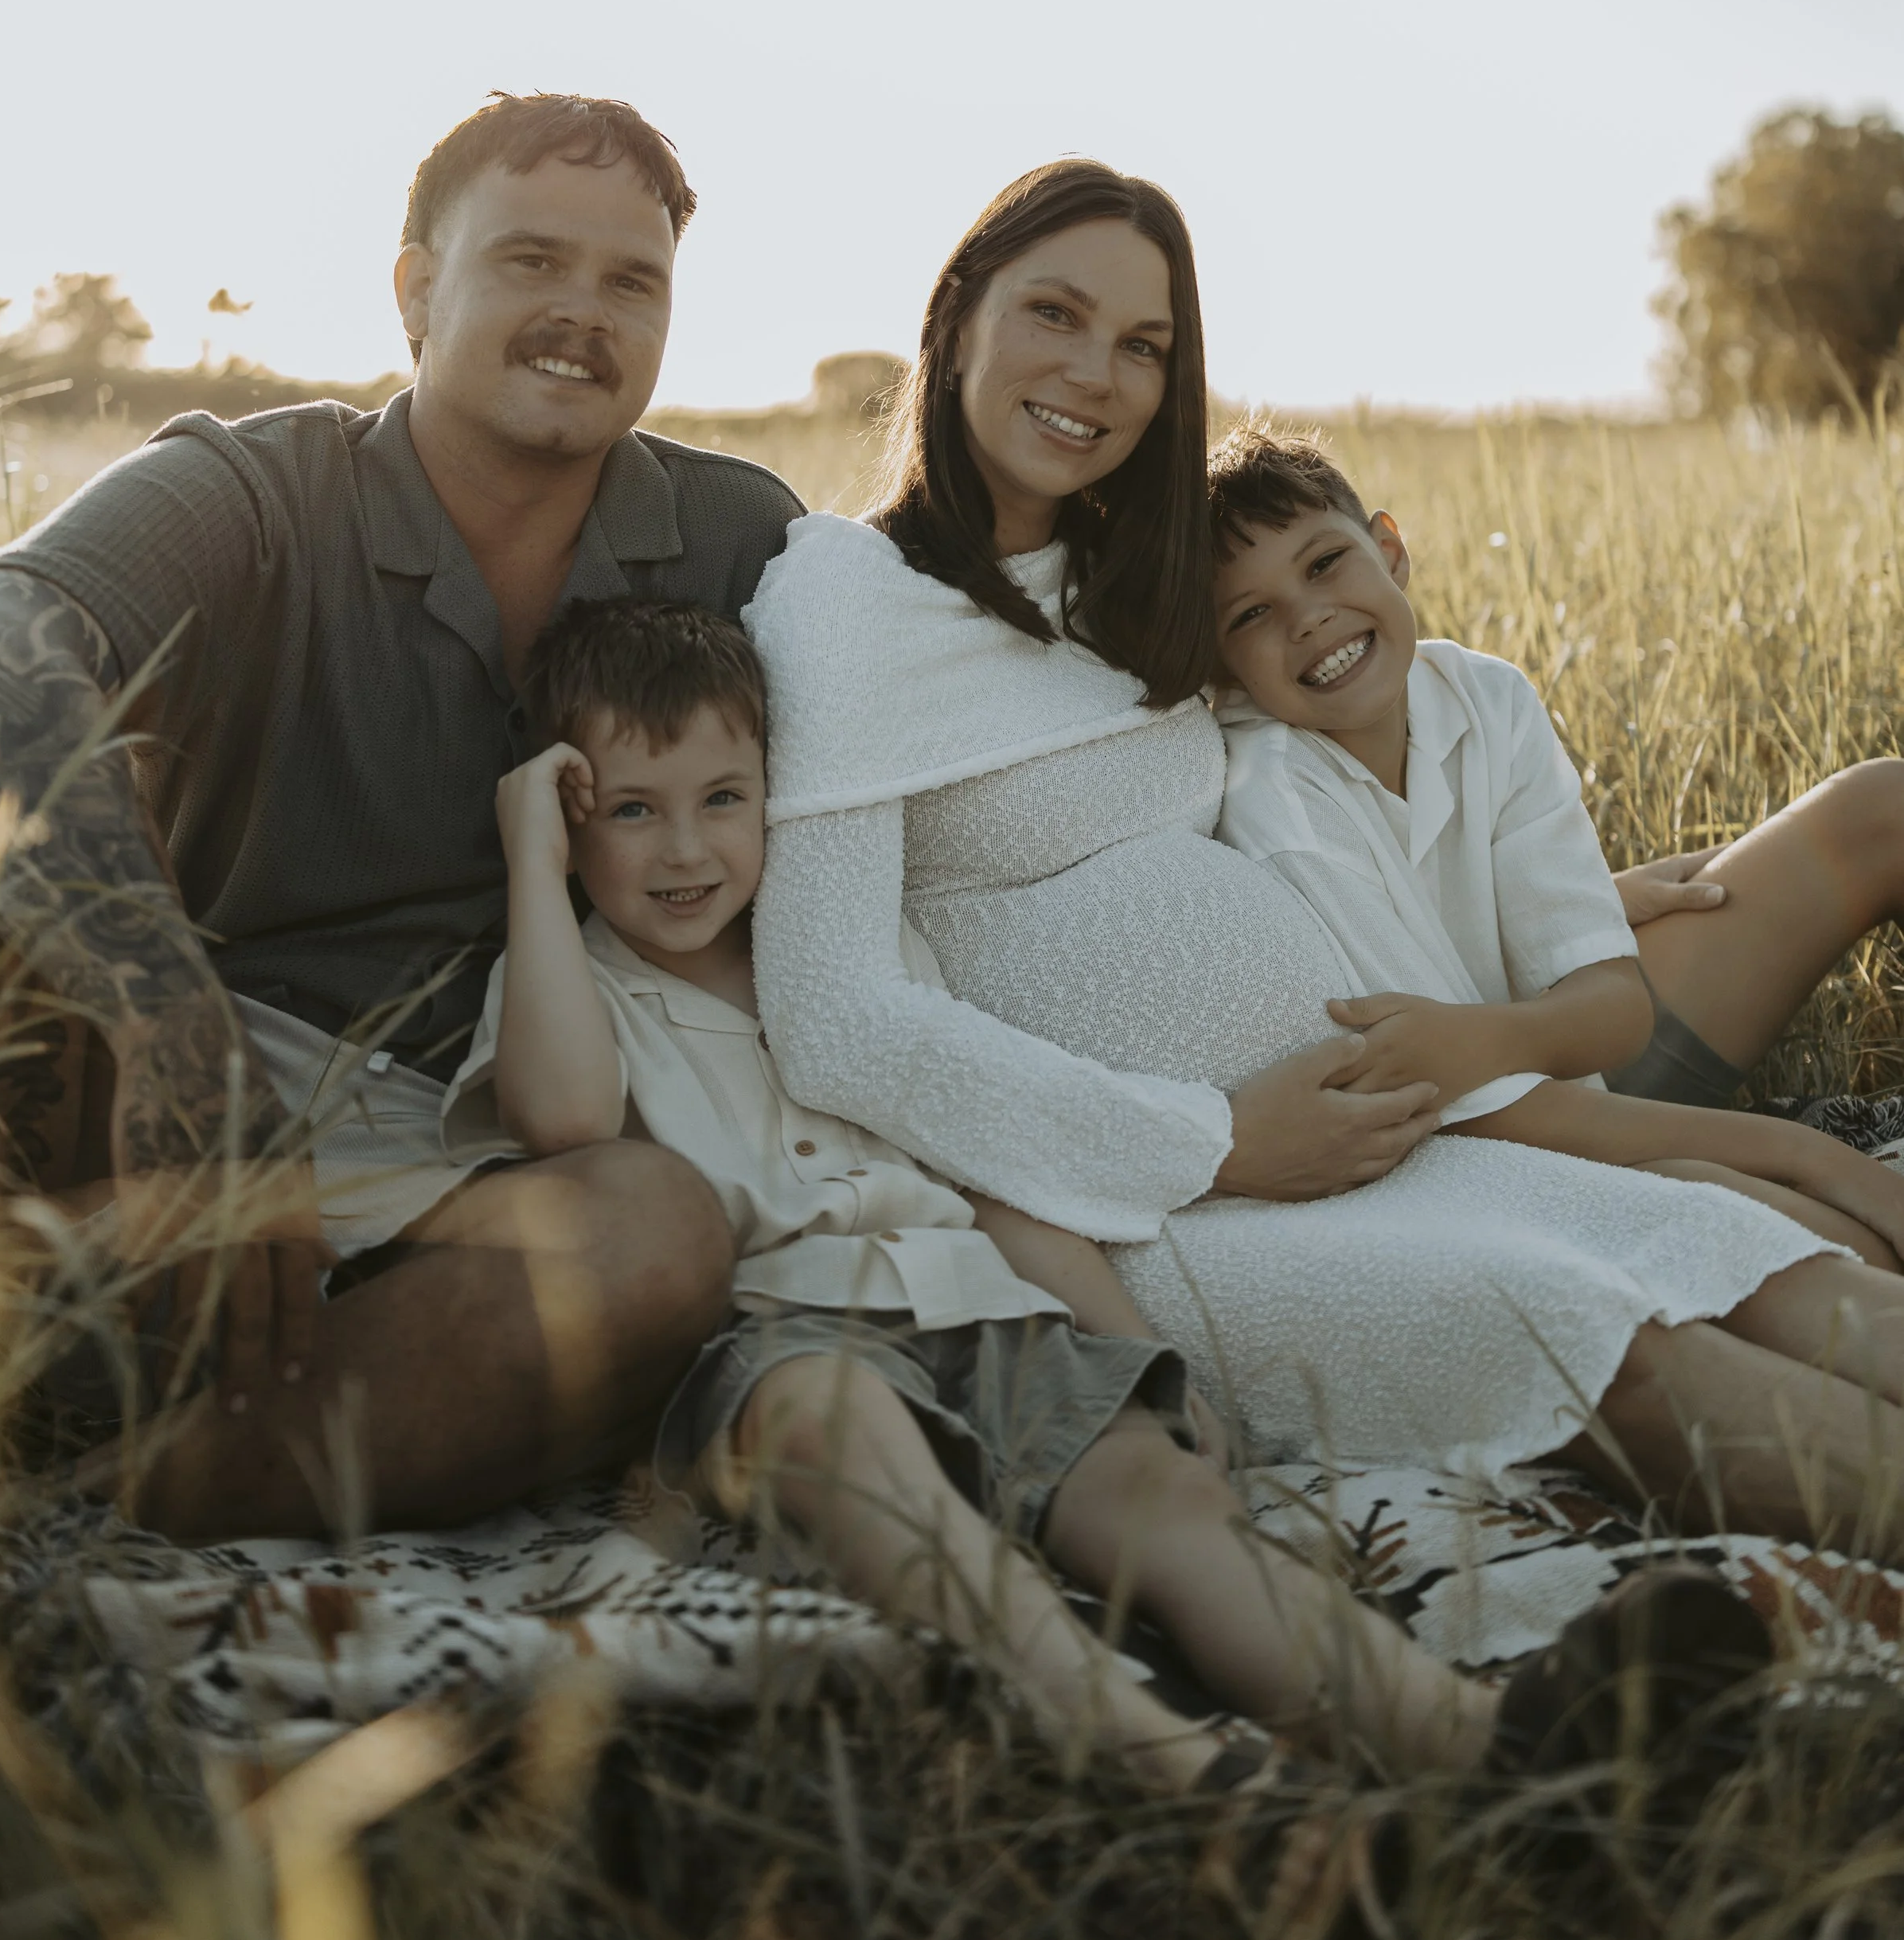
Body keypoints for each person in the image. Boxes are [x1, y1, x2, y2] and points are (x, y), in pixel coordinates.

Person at [743, 157, 1904, 1554]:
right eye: (1054, 314)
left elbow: (1327, 781)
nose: (1095, 373)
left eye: (1144, 346)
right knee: (1622, 1342)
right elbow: (837, 1017)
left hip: (1395, 1125)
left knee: (1766, 1265)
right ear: (957, 318)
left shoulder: (1137, 589)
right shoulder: (847, 602)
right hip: (1164, 1205)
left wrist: (1576, 908)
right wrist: (1219, 1144)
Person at [459, 591, 1769, 1791]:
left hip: (981, 1313)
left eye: (723, 800)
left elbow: (998, 1179)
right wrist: (532, 859)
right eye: (631, 811)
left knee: (1162, 1497)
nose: (685, 850)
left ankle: (1480, 1746)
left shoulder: (839, 958)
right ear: (571, 818)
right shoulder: (572, 986)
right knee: (824, 1413)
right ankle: (1164, 1757)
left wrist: (1131, 1355)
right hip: (782, 1340)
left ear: (775, 800)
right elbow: (567, 1116)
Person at [0, 92, 798, 1540]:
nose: (583, 312)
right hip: (180, 1087)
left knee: (657, 1241)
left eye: (631, 281)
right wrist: (173, 1033)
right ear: (416, 287)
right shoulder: (253, 488)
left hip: (485, 1157)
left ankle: (85, 1525)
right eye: (530, 261)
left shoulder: (738, 538)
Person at [1206, 420, 1904, 1271]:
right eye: (1252, 613)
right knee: (1840, 1248)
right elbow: (1481, 1112)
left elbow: (1614, 1013)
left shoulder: (1482, 694)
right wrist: (1811, 1157)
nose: (1310, 618)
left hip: (1561, 1076)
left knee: (1881, 803)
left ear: (1389, 549)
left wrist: (1495, 1022)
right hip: (1497, 1159)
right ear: (1220, 670)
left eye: (1324, 563)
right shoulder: (1274, 793)